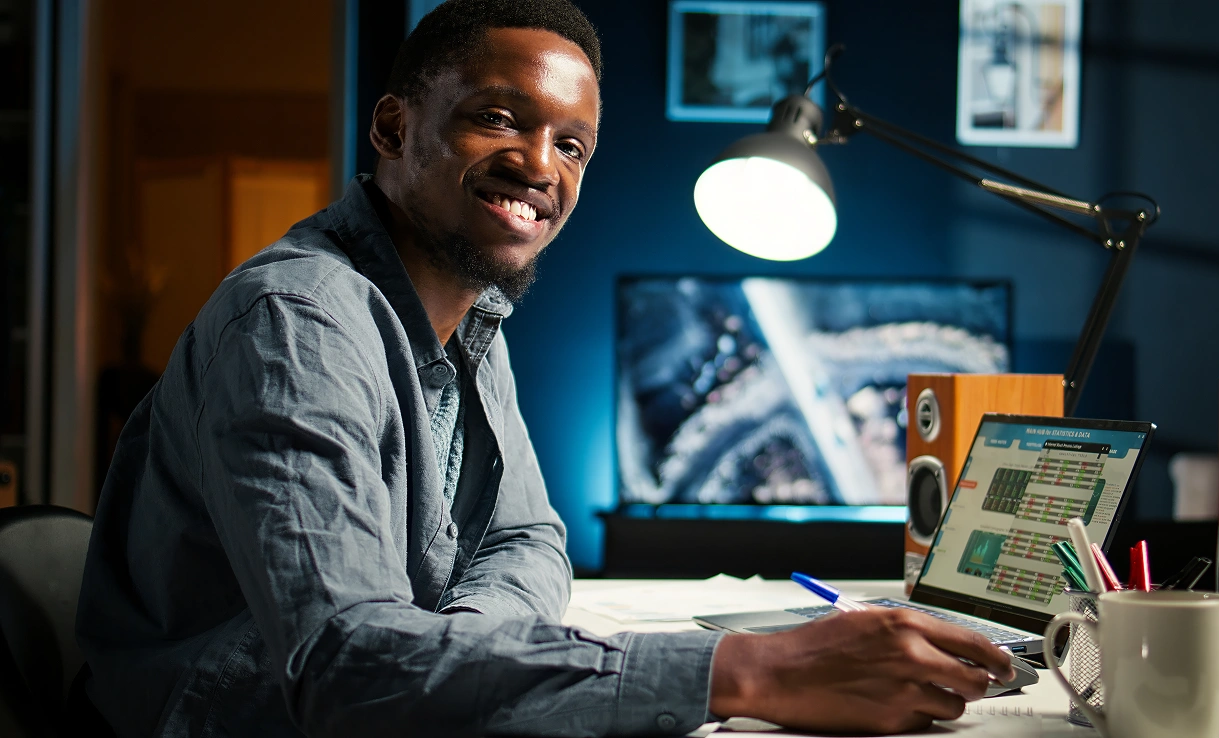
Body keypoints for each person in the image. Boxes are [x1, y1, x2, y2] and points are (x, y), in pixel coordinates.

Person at [76, 1, 1015, 736]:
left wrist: (453, 649)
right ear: (394, 129)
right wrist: (747, 671)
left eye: (571, 145)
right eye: (498, 119)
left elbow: (530, 543)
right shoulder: (299, 321)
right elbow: (345, 669)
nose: (540, 165)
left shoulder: (473, 316)